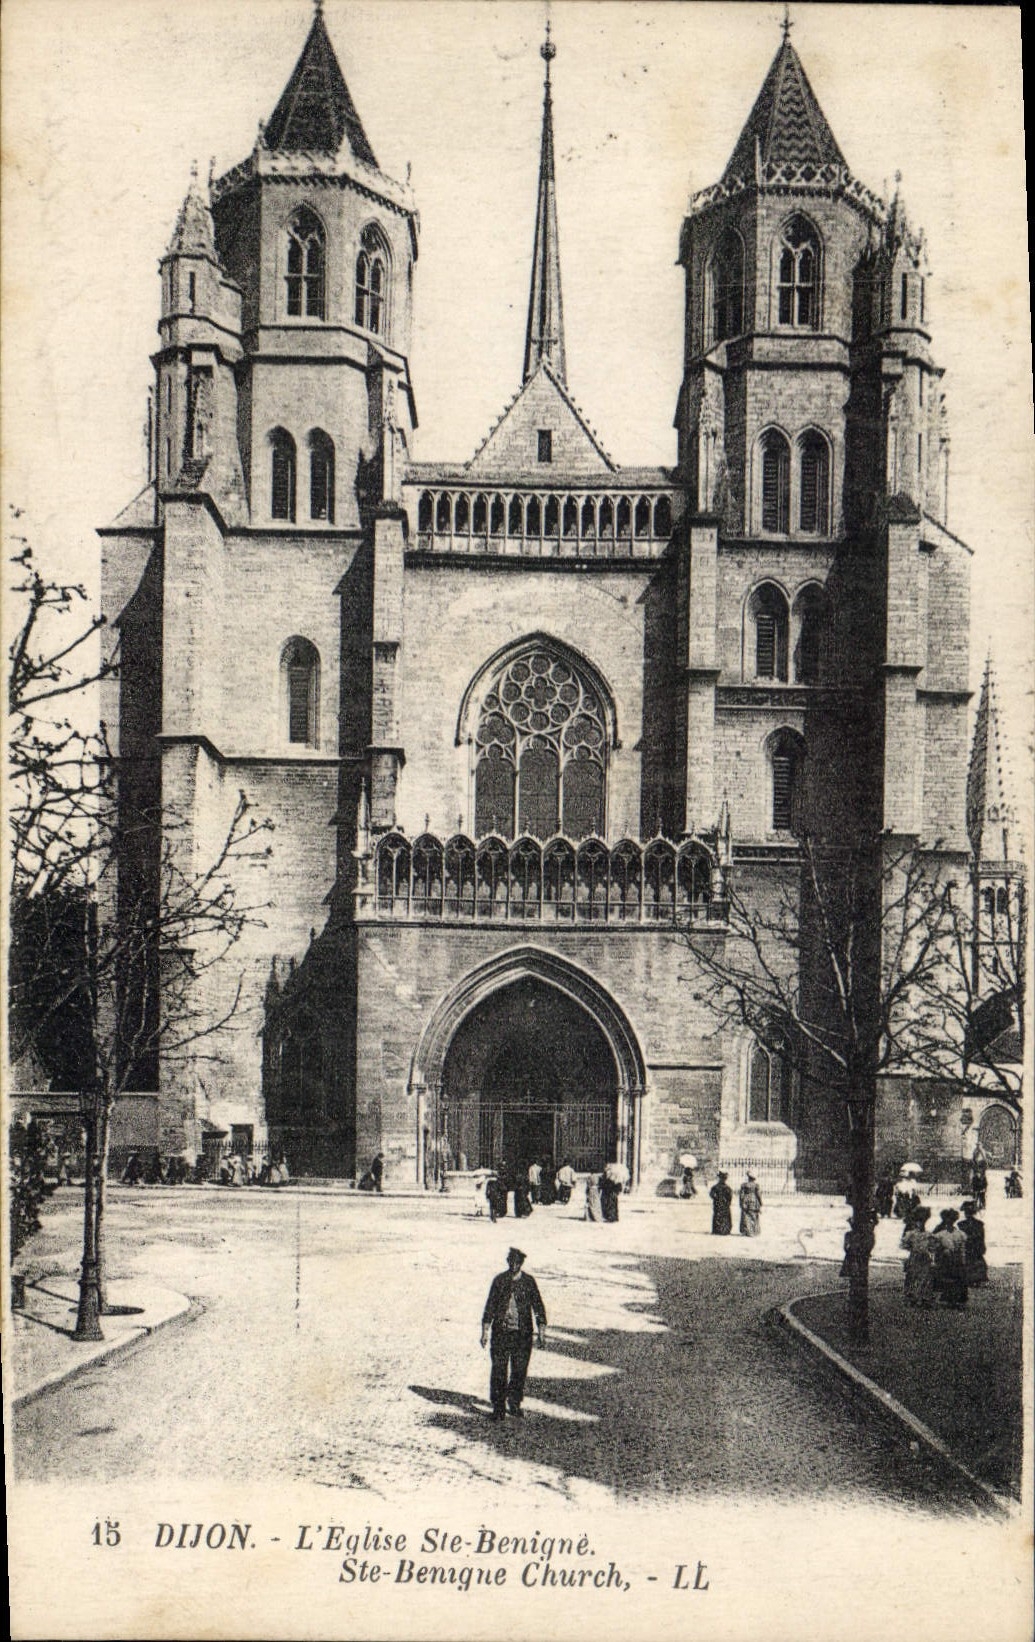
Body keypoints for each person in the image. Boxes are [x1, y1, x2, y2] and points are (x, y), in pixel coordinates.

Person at [480, 1248, 547, 1421]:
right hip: (501, 1333)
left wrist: (541, 1330)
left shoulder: (529, 1282)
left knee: (519, 1371)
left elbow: (538, 1306)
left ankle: (514, 1403)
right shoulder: (499, 1281)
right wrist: (485, 1331)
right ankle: (498, 1407)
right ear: (507, 1261)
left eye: (516, 1263)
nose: (513, 1266)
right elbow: (490, 1306)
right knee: (499, 1370)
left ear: (521, 1264)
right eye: (510, 1262)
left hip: (522, 1335)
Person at [930, 1208, 968, 1307]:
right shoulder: (944, 1234)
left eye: (951, 1220)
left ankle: (953, 1299)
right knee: (949, 1278)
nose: (950, 1222)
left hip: (953, 1259)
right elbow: (934, 1247)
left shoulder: (957, 1234)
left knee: (953, 1278)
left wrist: (962, 1260)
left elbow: (962, 1249)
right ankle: (950, 1298)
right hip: (947, 1258)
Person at [901, 1206, 935, 1307]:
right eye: (919, 1221)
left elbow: (932, 1247)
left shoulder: (928, 1235)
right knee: (913, 1276)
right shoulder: (911, 1234)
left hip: (923, 1257)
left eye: (923, 1221)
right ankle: (912, 1297)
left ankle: (923, 1297)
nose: (921, 1224)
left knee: (924, 1277)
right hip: (915, 1256)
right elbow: (904, 1245)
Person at [959, 1200, 989, 1286]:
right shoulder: (979, 1224)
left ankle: (970, 1279)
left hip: (968, 1247)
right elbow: (982, 1237)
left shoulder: (961, 1224)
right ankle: (977, 1279)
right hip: (976, 1247)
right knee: (977, 1261)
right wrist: (982, 1246)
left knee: (968, 1262)